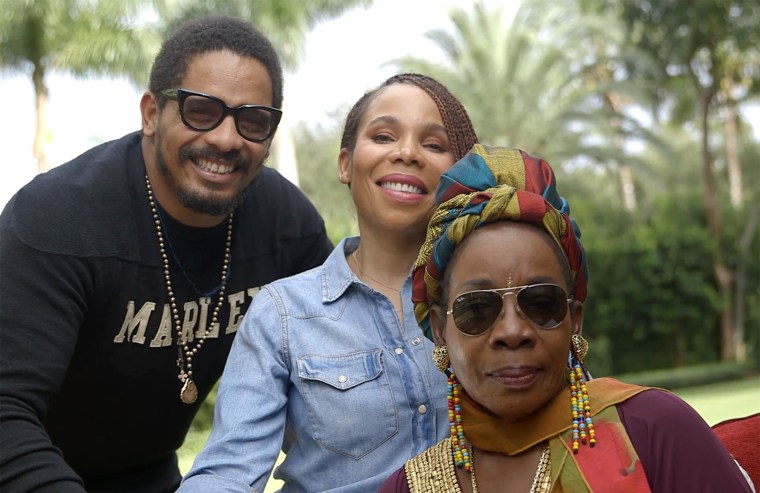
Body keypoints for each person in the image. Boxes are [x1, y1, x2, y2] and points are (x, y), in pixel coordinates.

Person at [0, 16, 333, 493]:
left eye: (252, 120)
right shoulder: (57, 219)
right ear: (152, 113)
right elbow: (6, 409)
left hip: (152, 475)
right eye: (201, 111)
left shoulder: (286, 225)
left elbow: (339, 349)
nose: (225, 138)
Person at [379, 144, 753, 492]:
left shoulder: (653, 431)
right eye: (477, 308)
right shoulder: (408, 487)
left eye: (541, 303)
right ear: (441, 330)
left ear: (575, 319)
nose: (513, 331)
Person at [177, 73, 479, 492]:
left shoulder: (491, 299)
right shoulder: (282, 313)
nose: (408, 153)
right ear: (345, 165)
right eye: (384, 135)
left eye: (433, 144)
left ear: (459, 173)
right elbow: (228, 470)